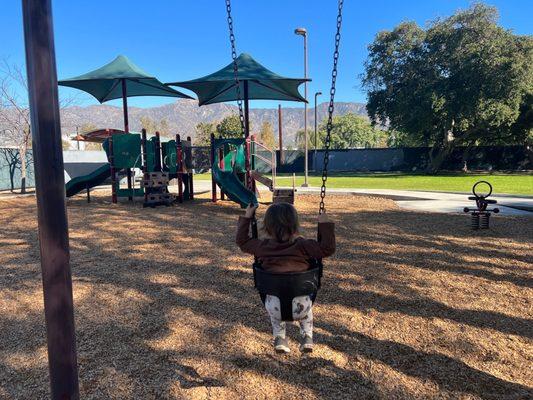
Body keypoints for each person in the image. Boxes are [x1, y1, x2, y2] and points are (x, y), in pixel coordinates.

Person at [236, 202, 335, 353]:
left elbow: (242, 241)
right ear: (295, 225)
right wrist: (324, 223)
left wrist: (248, 215)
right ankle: (307, 335)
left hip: (274, 307)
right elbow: (328, 248)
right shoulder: (304, 245)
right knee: (306, 307)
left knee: (275, 303)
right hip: (302, 307)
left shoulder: (263, 247)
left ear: (267, 227)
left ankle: (280, 338)